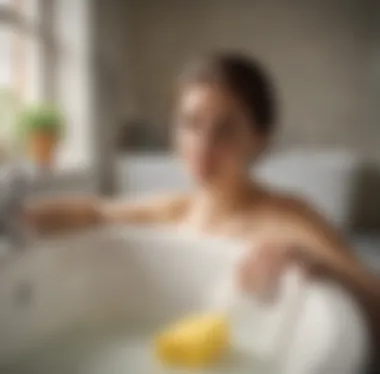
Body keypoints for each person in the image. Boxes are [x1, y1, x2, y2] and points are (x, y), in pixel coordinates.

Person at [26, 52, 379, 354]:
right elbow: (95, 212)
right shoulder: (176, 209)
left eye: (224, 129)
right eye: (190, 123)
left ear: (261, 140)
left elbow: (373, 296)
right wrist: (15, 216)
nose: (202, 145)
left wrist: (316, 263)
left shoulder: (288, 218)